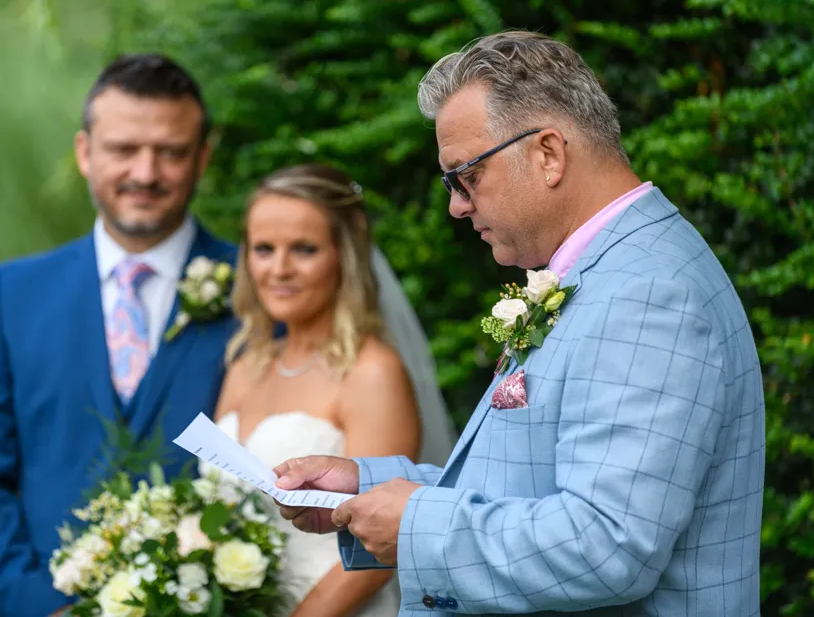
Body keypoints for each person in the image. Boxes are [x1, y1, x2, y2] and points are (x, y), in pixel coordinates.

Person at [273, 31, 766, 616]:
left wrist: (416, 526)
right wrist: (368, 486)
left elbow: (606, 545)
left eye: (466, 175)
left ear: (549, 154)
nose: (456, 204)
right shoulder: (611, 269)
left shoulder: (648, 293)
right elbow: (528, 486)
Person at [0, 54, 240, 616]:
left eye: (171, 152)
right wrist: (36, 605)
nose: (146, 173)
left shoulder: (259, 291)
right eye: (123, 149)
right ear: (85, 152)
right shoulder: (13, 293)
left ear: (202, 158)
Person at [207, 163, 455, 617]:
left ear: (343, 254)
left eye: (304, 249)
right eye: (264, 249)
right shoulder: (245, 366)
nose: (279, 269)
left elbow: (375, 550)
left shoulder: (371, 372)